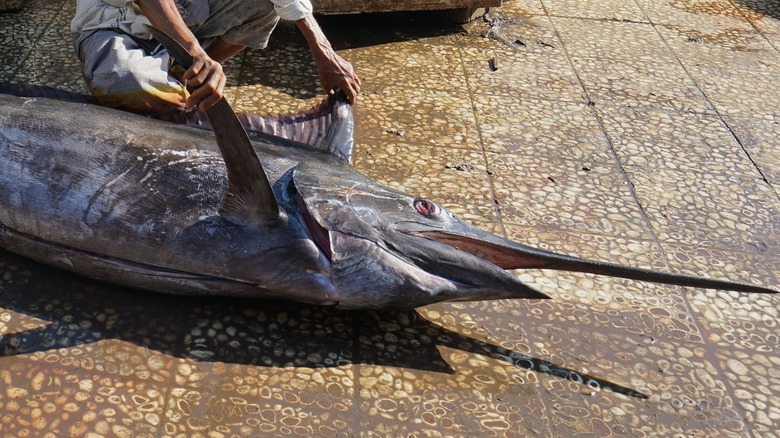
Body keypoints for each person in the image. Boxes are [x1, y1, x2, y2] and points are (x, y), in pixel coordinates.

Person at [71, 0, 361, 114]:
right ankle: (183, 81)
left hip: (185, 14)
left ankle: (186, 78)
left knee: (265, 6)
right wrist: (196, 52)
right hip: (114, 24)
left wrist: (324, 51)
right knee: (125, 80)